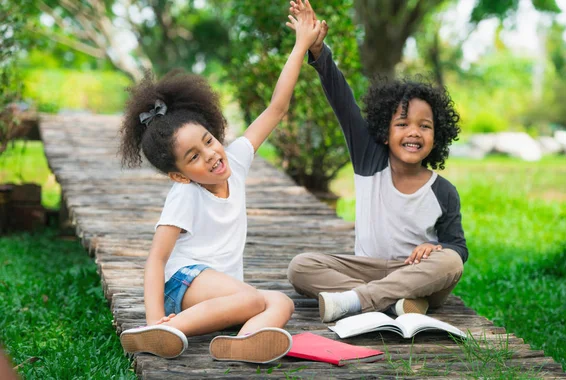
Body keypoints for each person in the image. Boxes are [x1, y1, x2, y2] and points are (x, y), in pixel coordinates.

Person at [117, 1, 322, 362]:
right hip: (184, 282)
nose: (211, 155)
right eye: (194, 156)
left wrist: (300, 46)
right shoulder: (185, 193)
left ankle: (245, 341)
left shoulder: (236, 160)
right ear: (180, 174)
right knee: (254, 299)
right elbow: (156, 260)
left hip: (222, 292)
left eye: (208, 141)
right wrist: (152, 318)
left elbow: (277, 108)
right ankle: (163, 330)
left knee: (281, 301)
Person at [286, 0, 467, 323]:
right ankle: (395, 304)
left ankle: (357, 300)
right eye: (403, 124)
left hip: (414, 272)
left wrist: (436, 250)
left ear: (437, 136)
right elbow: (343, 101)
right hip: (365, 268)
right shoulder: (370, 160)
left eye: (424, 126)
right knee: (301, 266)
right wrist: (318, 51)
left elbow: (458, 248)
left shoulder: (444, 192)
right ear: (385, 132)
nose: (414, 133)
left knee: (451, 262)